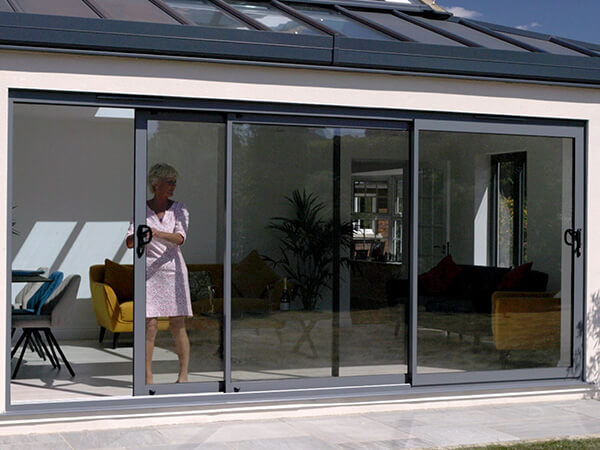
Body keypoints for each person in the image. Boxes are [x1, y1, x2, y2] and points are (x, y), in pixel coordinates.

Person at [126, 163, 192, 384]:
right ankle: (147, 376)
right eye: (169, 182)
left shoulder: (180, 209)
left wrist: (156, 232)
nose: (173, 186)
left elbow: (180, 238)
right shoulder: (140, 208)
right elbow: (128, 242)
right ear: (156, 184)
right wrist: (138, 236)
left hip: (174, 271)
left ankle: (183, 375)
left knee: (177, 323)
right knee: (150, 325)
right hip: (149, 271)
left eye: (175, 182)